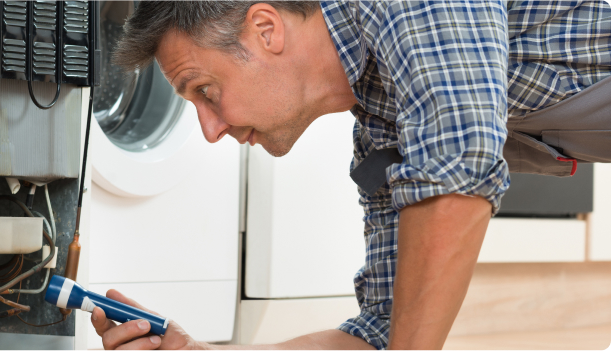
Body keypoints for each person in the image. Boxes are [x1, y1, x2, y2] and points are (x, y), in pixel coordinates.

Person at [90, 1, 611, 349]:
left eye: (204, 90)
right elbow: (382, 331)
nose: (209, 130)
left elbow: (457, 166)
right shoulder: (381, 122)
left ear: (265, 29)